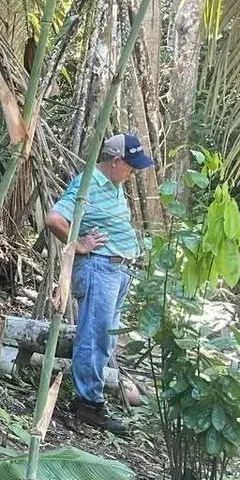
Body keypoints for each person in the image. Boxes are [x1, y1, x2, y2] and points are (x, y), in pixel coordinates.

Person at [45, 133, 154, 433]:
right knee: (95, 335)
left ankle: (90, 398)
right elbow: (54, 218)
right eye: (131, 166)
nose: (134, 173)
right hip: (99, 268)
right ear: (116, 161)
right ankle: (88, 404)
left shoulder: (114, 185)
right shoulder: (89, 181)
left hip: (116, 270)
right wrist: (79, 244)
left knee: (105, 337)